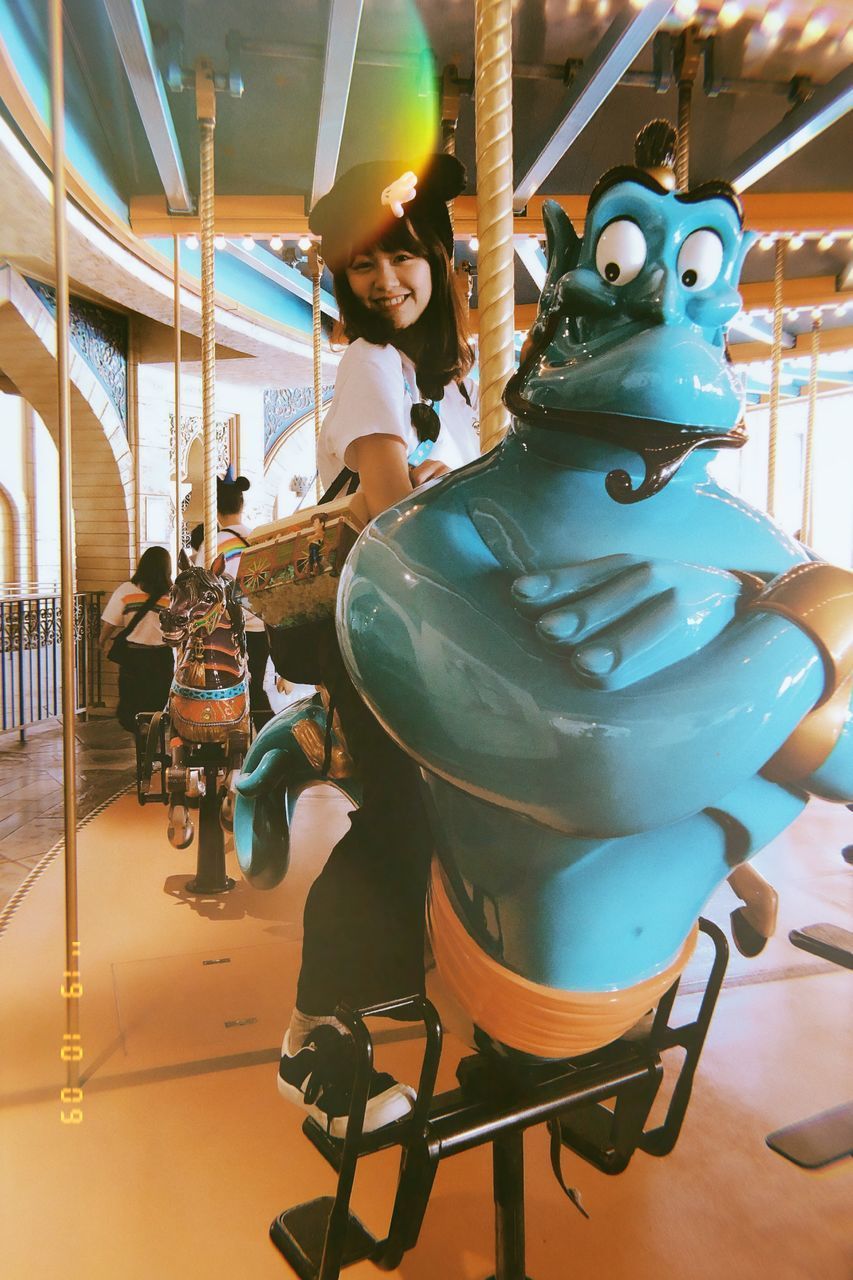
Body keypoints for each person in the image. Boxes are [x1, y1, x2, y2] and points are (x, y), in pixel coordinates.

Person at [272, 153, 479, 1137]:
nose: (383, 280)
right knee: (400, 813)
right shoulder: (368, 362)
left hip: (445, 622)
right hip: (391, 626)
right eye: (362, 267)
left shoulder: (455, 372)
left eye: (400, 257)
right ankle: (310, 1040)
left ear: (438, 257)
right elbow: (391, 501)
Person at [194, 468, 273, 733]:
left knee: (228, 686)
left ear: (215, 509)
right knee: (255, 683)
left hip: (224, 631)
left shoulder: (213, 545)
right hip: (260, 626)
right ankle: (261, 732)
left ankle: (237, 733)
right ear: (242, 504)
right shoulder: (259, 538)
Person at [99, 546, 174, 736]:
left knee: (132, 707)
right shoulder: (172, 595)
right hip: (162, 657)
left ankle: (142, 744)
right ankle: (151, 748)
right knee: (155, 707)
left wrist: (102, 641)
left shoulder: (126, 590)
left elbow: (109, 623)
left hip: (134, 657)